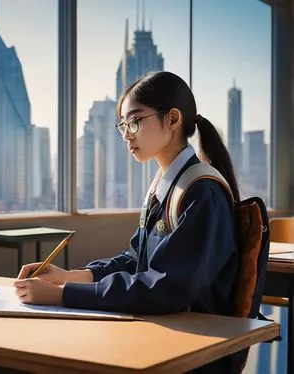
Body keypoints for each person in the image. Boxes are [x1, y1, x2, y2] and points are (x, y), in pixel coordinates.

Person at [14, 71, 243, 372]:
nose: (126, 134)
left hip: (195, 350)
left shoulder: (202, 192)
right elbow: (136, 261)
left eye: (134, 121)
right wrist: (71, 277)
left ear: (173, 120)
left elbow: (165, 288)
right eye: (122, 125)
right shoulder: (166, 186)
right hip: (165, 333)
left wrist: (62, 295)